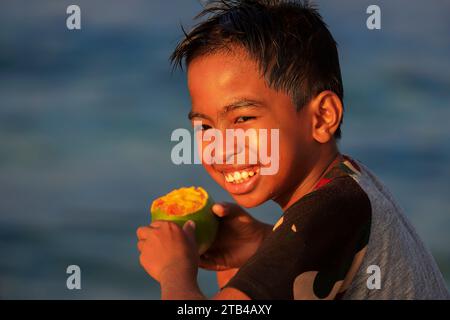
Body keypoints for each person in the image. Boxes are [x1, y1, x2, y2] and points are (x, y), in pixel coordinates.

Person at [136, 0, 450, 299]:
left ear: (322, 117)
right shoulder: (350, 185)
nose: (221, 148)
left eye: (243, 118)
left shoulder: (331, 210)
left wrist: (174, 270)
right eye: (204, 127)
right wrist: (264, 245)